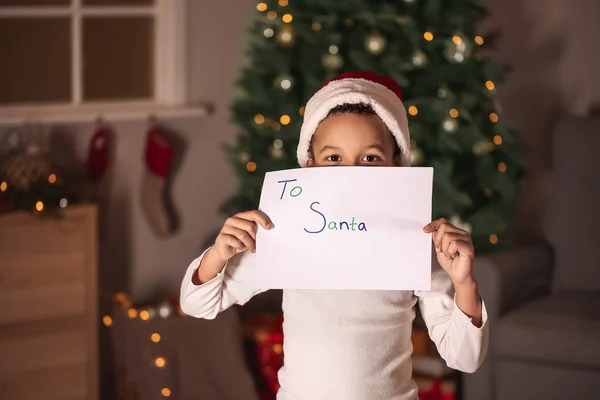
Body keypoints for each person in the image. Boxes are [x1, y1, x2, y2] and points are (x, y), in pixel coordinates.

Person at [180, 71, 488, 400]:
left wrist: (464, 282)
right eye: (333, 158)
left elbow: (465, 358)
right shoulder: (283, 235)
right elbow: (197, 304)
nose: (351, 172)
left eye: (370, 158)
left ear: (396, 164)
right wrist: (218, 254)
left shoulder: (415, 244)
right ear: (309, 164)